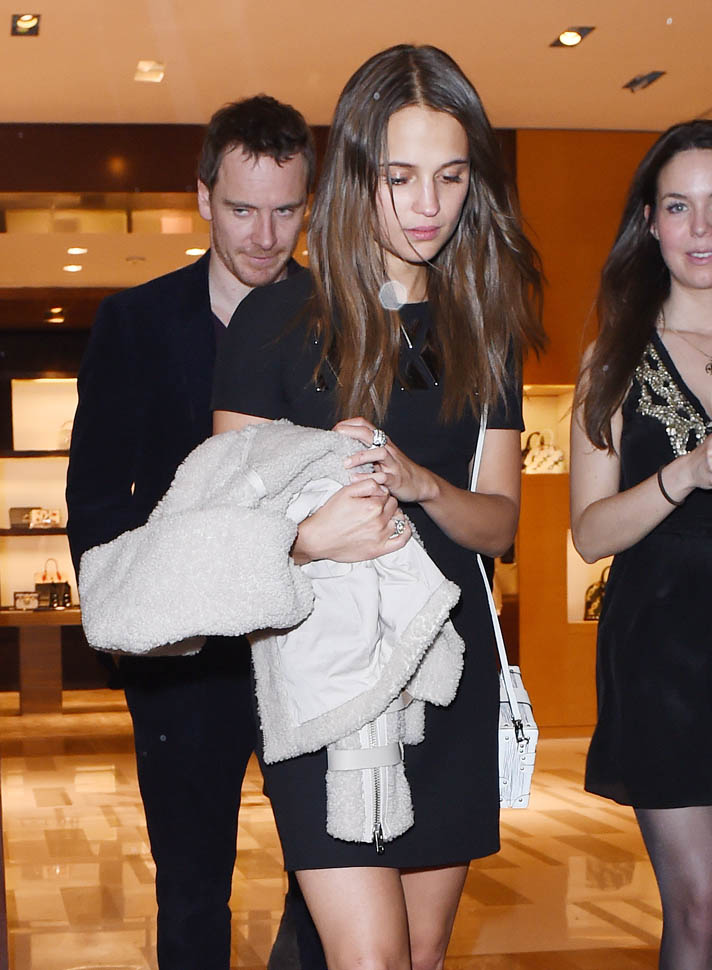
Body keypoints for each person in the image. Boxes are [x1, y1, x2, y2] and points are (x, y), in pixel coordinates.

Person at [212, 45, 545, 970]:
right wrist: (311, 539)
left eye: (451, 176)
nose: (427, 204)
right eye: (400, 177)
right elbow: (220, 538)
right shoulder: (275, 324)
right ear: (357, 173)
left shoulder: (485, 329)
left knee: (422, 956)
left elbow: (500, 525)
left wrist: (422, 482)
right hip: (324, 681)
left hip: (448, 671)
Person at [66, 95, 327, 970]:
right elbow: (96, 497)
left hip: (315, 641)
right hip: (184, 663)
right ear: (204, 197)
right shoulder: (134, 322)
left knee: (329, 887)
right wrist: (132, 631)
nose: (265, 235)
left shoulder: (342, 318)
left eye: (286, 210)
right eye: (243, 209)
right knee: (189, 895)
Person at [570, 120, 712, 970]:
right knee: (700, 908)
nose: (702, 228)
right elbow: (589, 534)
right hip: (664, 657)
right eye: (679, 206)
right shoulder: (614, 360)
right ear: (651, 222)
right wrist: (686, 473)